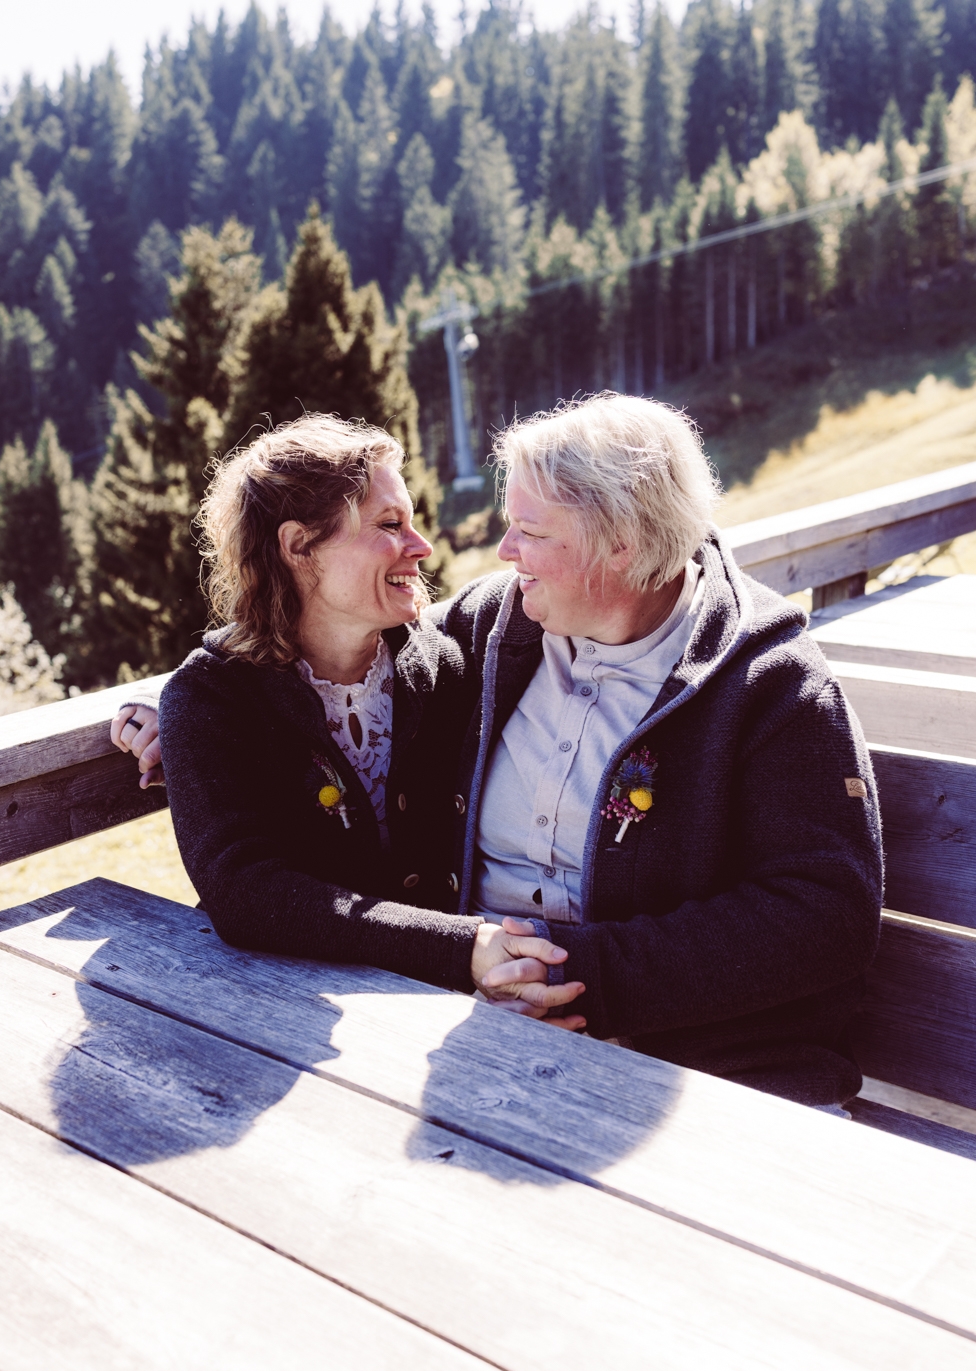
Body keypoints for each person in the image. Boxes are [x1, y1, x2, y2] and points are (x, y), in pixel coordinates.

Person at [428, 393, 883, 1108]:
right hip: (478, 1032)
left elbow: (824, 915)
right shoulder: (491, 623)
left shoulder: (770, 683)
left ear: (624, 544)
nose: (505, 551)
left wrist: (579, 978)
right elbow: (340, 663)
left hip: (699, 1071)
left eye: (528, 530)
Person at [112, 414, 585, 1020]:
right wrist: (460, 949)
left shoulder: (439, 666)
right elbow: (245, 893)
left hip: (447, 1009)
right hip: (278, 1020)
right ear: (298, 545)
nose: (421, 547)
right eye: (389, 525)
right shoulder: (212, 698)